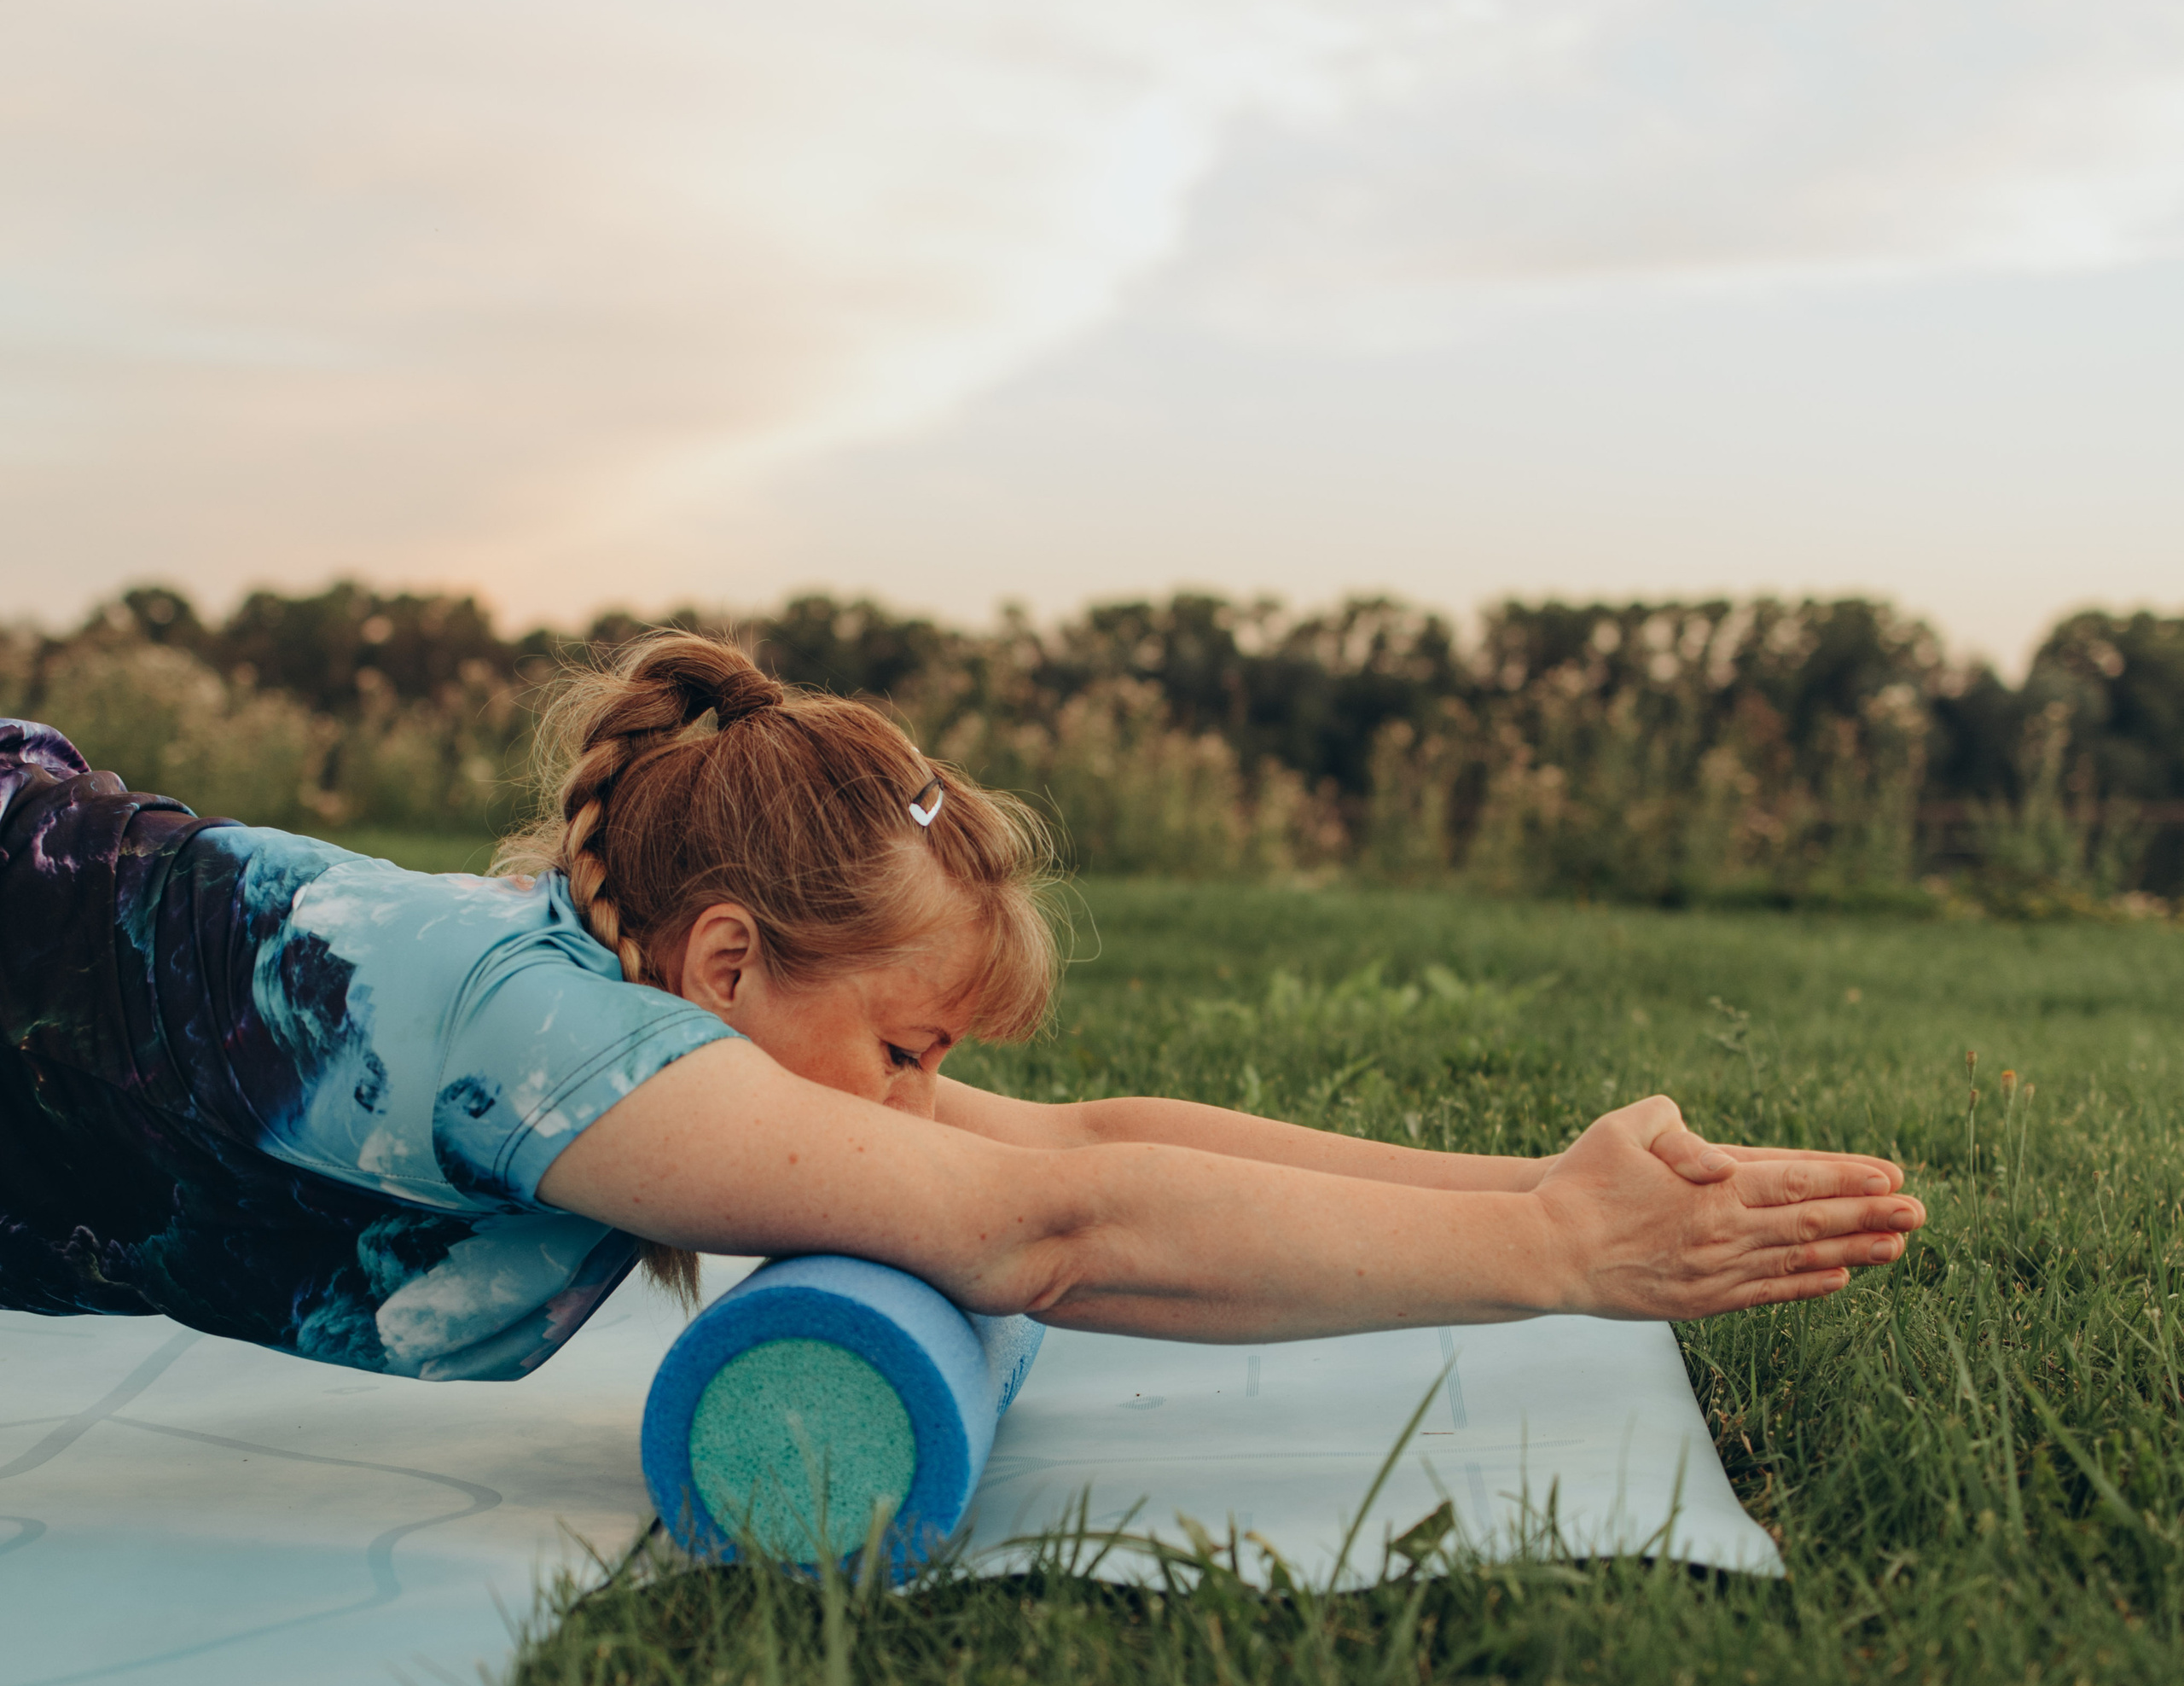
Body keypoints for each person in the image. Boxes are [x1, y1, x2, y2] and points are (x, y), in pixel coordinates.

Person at [0, 637, 1921, 1381]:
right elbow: (1049, 1233)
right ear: (729, 964)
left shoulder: (625, 997)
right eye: (907, 1049)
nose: (924, 1102)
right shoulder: (556, 1039)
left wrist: (1540, 1191)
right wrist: (1561, 1259)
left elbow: (1084, 1148)